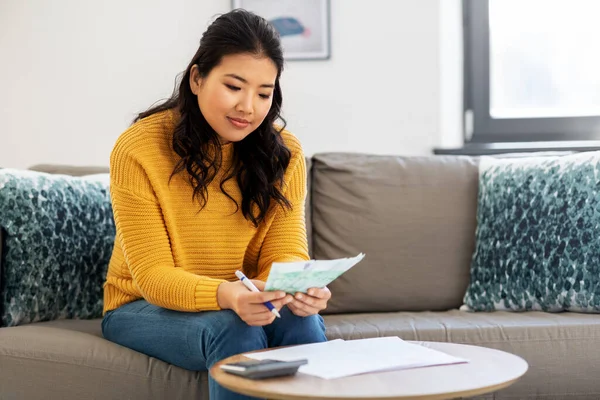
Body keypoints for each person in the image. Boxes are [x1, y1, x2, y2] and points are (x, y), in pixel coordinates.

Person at [101, 9, 330, 400]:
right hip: (140, 306)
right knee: (233, 327)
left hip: (243, 298)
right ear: (196, 78)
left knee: (301, 321)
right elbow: (153, 275)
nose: (248, 107)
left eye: (263, 93)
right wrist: (228, 295)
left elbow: (286, 250)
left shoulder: (284, 153)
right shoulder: (139, 148)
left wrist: (296, 285)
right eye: (234, 86)